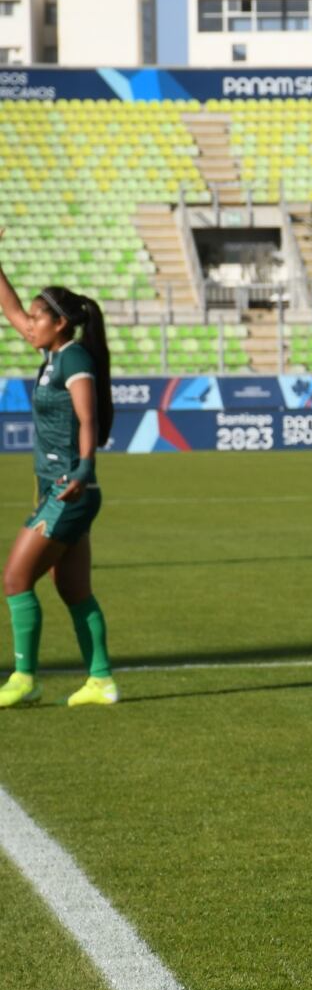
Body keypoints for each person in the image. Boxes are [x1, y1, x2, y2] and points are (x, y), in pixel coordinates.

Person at [0, 238, 117, 710]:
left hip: (70, 490)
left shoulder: (74, 359)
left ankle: (24, 677)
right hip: (57, 487)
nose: (28, 325)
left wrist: (84, 469)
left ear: (60, 323)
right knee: (73, 589)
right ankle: (101, 681)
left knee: (14, 579)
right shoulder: (52, 358)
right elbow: (10, 310)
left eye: (37, 318)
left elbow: (88, 421)